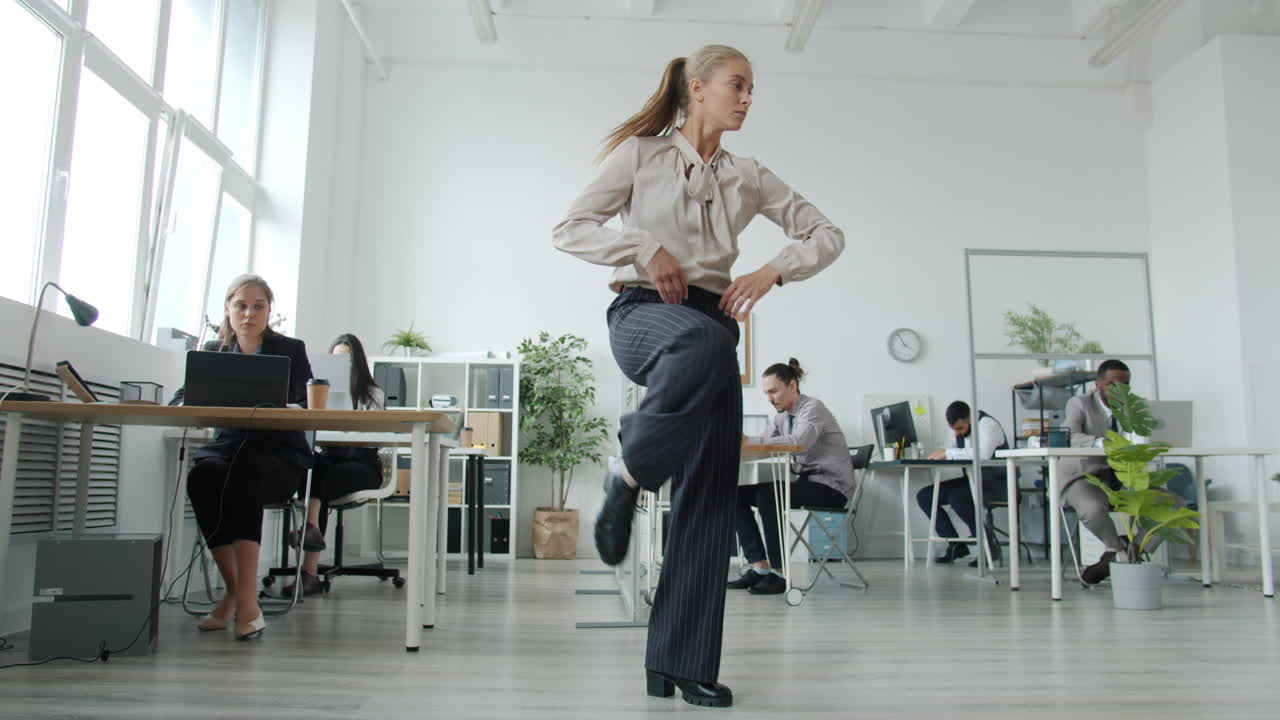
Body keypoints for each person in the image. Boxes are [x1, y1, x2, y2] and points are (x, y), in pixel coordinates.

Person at [552, 44, 844, 708]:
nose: (747, 98)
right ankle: (633, 472)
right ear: (697, 88)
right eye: (737, 85)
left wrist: (773, 270)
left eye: (751, 89)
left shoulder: (749, 175)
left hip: (712, 329)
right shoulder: (640, 156)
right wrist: (642, 246)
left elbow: (827, 233)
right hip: (644, 314)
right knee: (706, 342)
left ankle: (677, 664)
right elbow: (569, 228)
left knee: (709, 499)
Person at [172, 274, 313, 640]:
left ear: (269, 311)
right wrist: (182, 402)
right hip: (228, 447)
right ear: (228, 309)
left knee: (243, 476)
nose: (249, 313)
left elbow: (306, 400)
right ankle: (236, 593)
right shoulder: (215, 352)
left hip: (279, 453)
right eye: (241, 306)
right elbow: (184, 395)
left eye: (258, 307)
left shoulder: (290, 349)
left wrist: (286, 406)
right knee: (203, 478)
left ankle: (246, 603)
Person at [730, 359, 854, 595]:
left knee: (769, 494)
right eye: (766, 393)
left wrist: (749, 441)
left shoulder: (812, 409)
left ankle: (779, 574)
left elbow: (798, 442)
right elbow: (762, 444)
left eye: (774, 391)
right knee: (733, 494)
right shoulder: (781, 417)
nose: (770, 398)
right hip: (808, 482)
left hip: (833, 487)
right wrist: (738, 444)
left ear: (792, 386)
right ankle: (760, 567)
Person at [1061, 359, 1184, 583]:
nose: (1120, 390)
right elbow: (1070, 436)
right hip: (1084, 477)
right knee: (1092, 508)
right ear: (1098, 384)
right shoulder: (1079, 403)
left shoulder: (1135, 407)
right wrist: (1106, 443)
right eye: (1112, 384)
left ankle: (1130, 552)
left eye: (1125, 385)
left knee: (1173, 504)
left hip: (1124, 478)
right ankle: (1117, 549)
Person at [283, 333, 386, 597]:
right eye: (336, 359)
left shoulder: (372, 393)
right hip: (330, 461)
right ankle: (311, 543)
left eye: (347, 360)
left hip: (362, 465)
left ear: (357, 362)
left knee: (318, 480)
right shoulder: (317, 392)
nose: (342, 365)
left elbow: (373, 437)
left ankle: (309, 559)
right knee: (314, 466)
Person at [916, 401, 1011, 566]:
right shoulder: (956, 428)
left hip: (996, 483)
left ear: (969, 418)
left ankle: (988, 547)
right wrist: (940, 454)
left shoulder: (987, 425)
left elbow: (983, 454)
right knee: (925, 496)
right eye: (954, 429)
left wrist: (948, 453)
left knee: (957, 497)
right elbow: (949, 449)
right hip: (972, 480)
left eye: (960, 428)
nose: (957, 433)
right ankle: (956, 546)